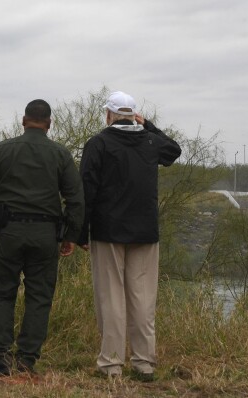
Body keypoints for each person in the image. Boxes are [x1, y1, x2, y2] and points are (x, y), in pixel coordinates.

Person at [0, 99, 85, 376]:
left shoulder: (3, 150)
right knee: (39, 296)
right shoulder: (60, 154)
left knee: (1, 292)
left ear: (23, 121)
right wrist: (70, 234)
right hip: (46, 235)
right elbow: (76, 200)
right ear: (49, 124)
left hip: (10, 232)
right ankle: (26, 360)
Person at [78, 91, 182, 382]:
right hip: (145, 231)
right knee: (143, 298)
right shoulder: (150, 142)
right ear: (135, 114)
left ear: (108, 115)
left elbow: (86, 189)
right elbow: (173, 150)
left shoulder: (98, 143)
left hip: (108, 231)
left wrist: (79, 231)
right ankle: (144, 362)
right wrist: (149, 125)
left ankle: (111, 364)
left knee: (110, 297)